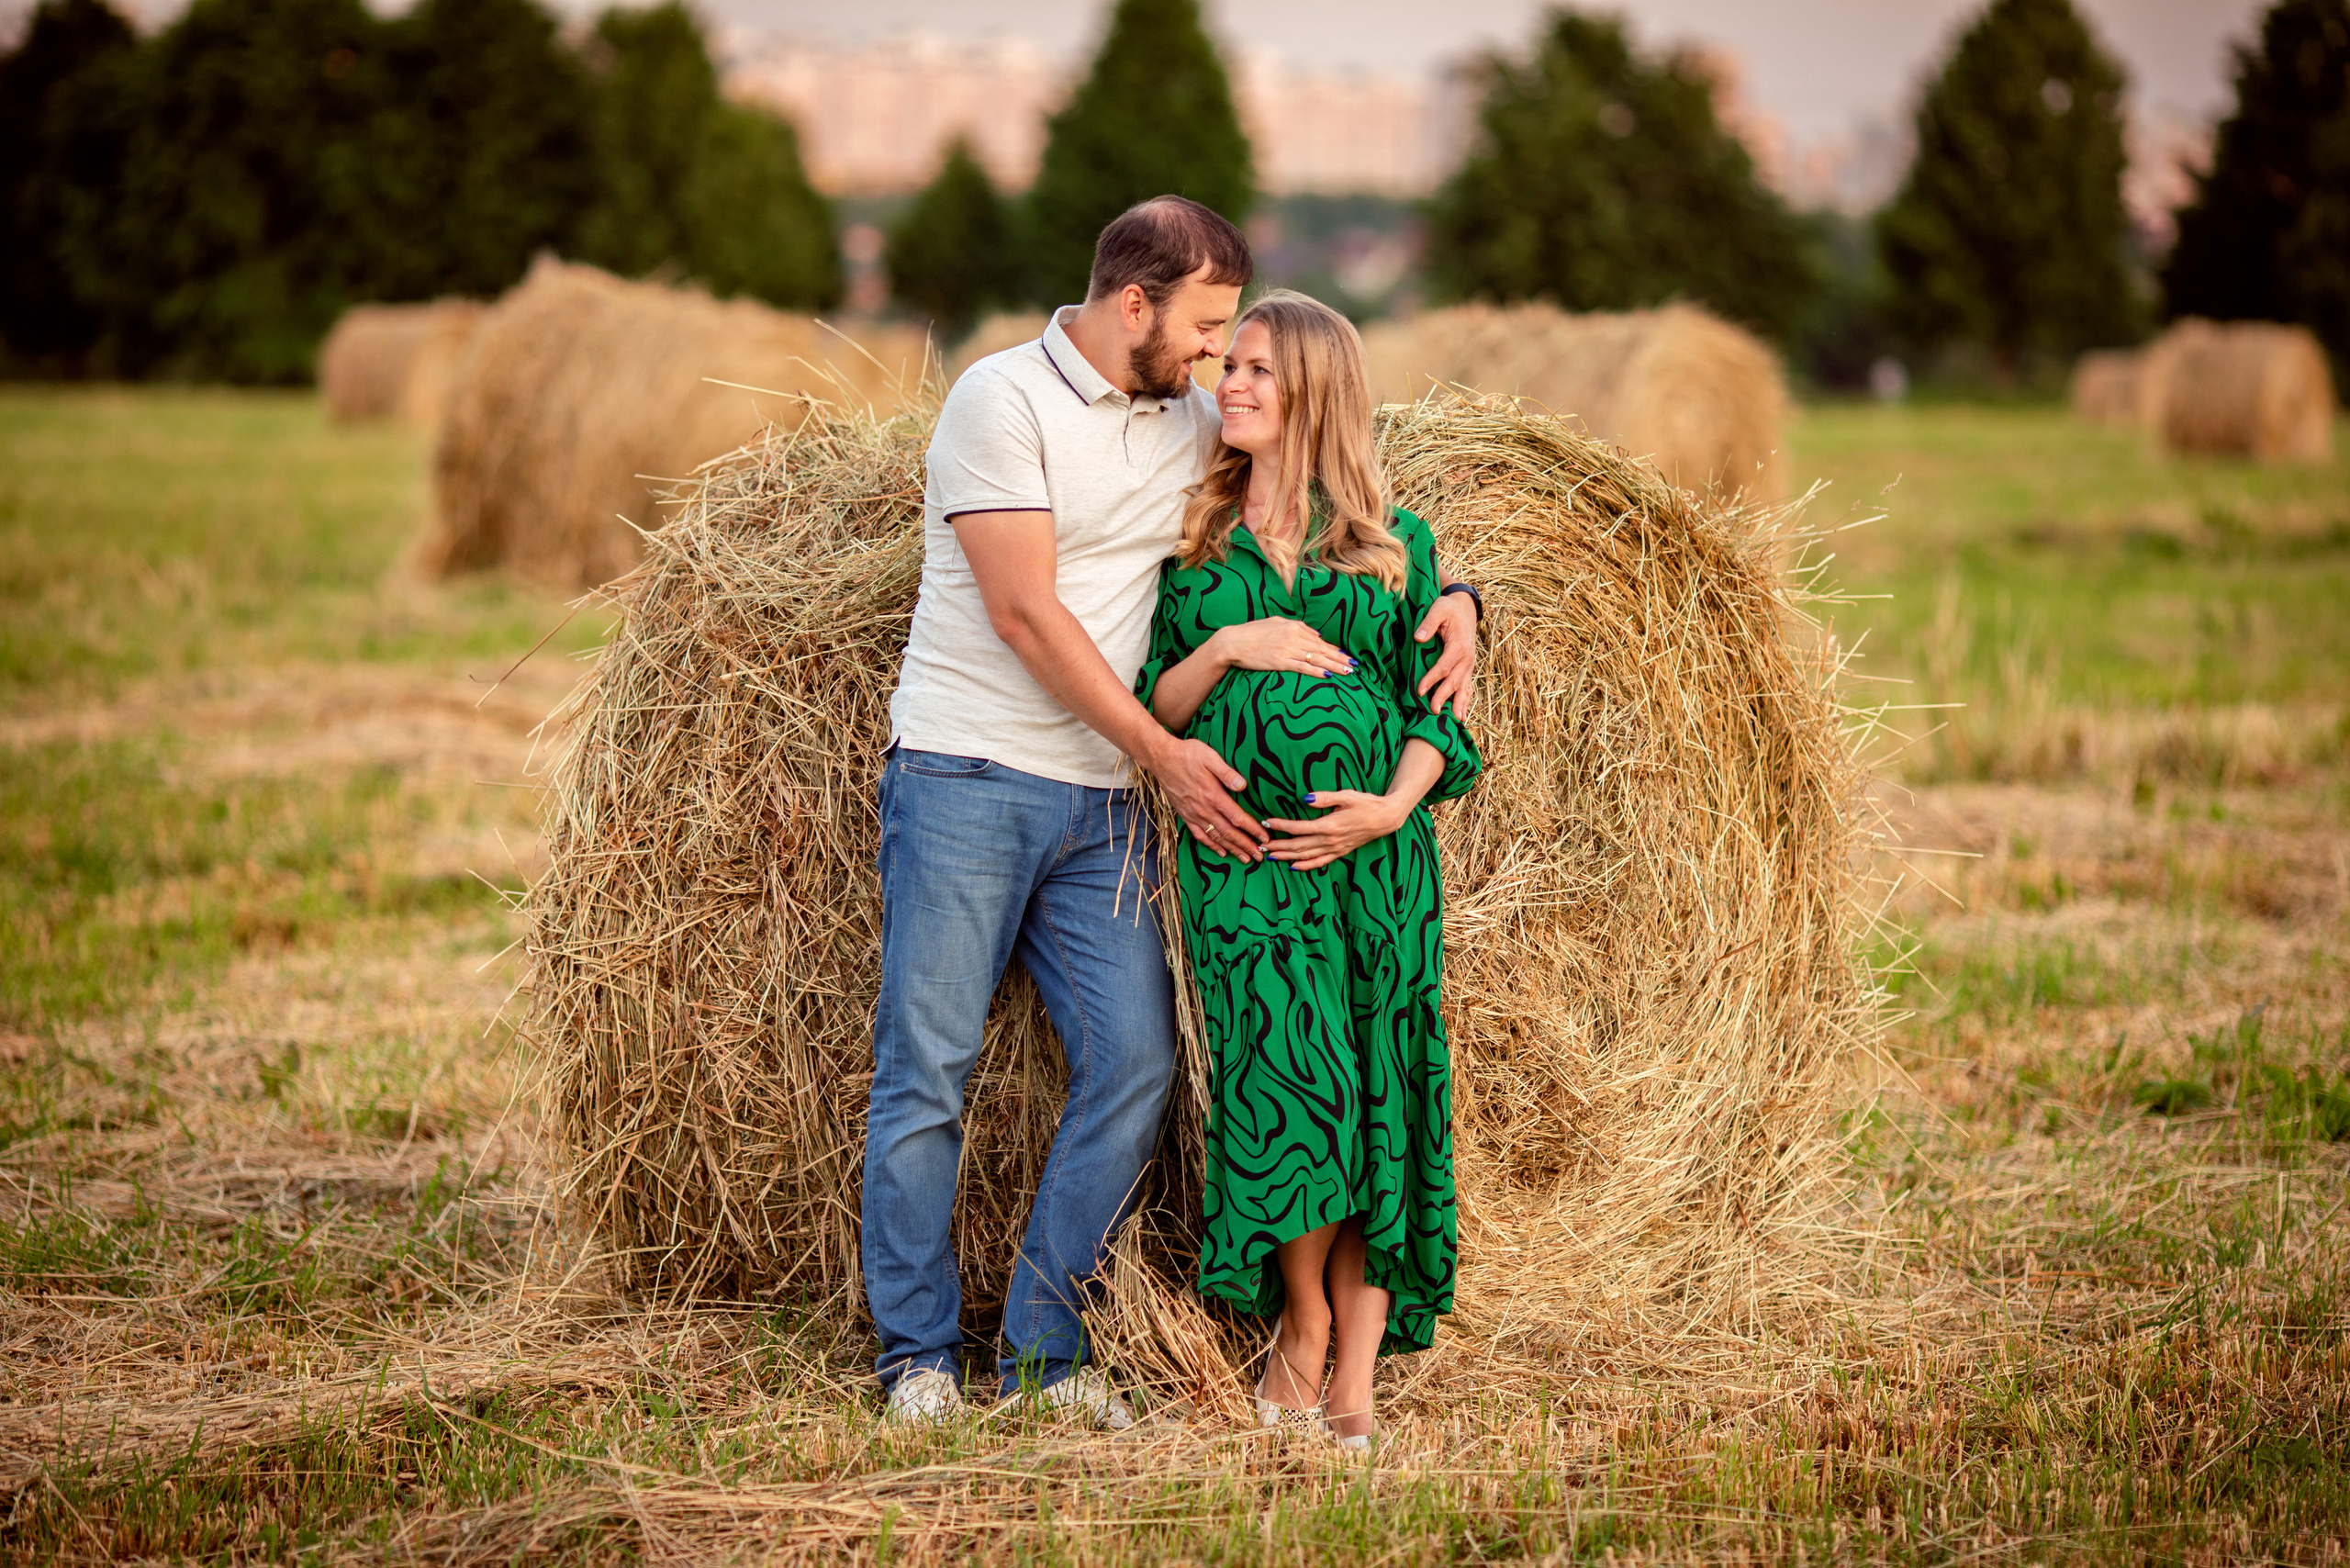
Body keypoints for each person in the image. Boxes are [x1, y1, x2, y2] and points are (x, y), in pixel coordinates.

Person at [864, 199, 1482, 1428]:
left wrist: (1463, 596)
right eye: (1206, 328)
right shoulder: (1003, 402)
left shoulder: (1198, 419)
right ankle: (917, 1355)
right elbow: (1026, 613)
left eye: (1233, 343)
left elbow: (1341, 466)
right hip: (971, 777)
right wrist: (1168, 750)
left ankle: (1041, 1352)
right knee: (930, 1069)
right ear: (1134, 304)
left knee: (1138, 1064)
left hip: (1103, 808)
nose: (1218, 357)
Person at [1134, 290, 1482, 1450]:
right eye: (1227, 365)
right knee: (1291, 1089)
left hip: (1377, 873)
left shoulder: (1393, 543)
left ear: (1314, 395)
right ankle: (1301, 1323)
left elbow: (1441, 716)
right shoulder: (1197, 538)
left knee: (1383, 1099)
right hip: (1249, 865)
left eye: (1256, 372)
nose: (1227, 385)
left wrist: (1387, 807)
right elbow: (1157, 706)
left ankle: (1354, 1374)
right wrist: (1232, 643)